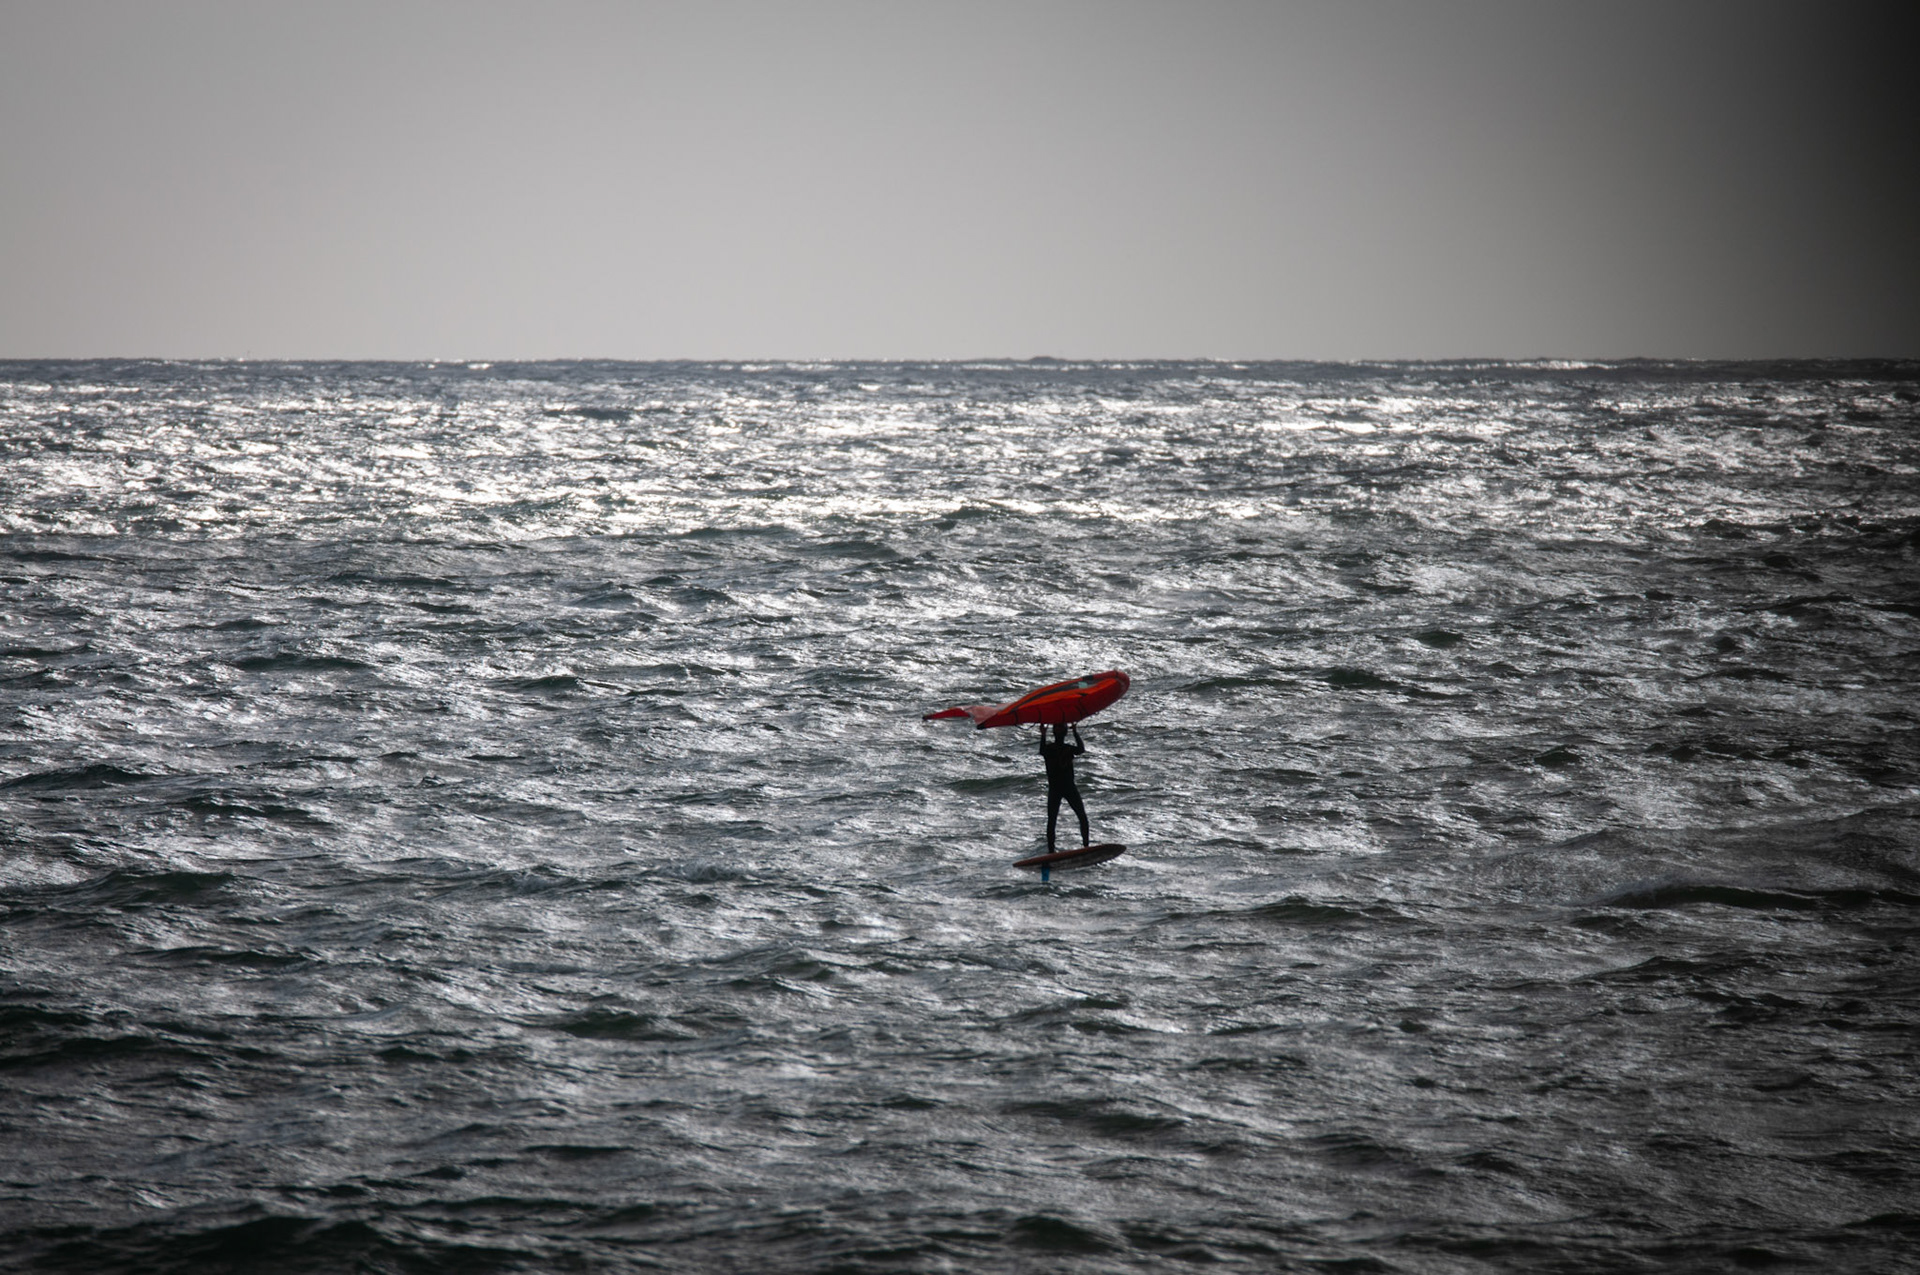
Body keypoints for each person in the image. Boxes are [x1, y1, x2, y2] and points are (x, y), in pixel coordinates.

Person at [1039, 721, 1090, 851]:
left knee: (1082, 816)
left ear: (1065, 732)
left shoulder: (1068, 748)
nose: (1059, 729)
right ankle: (1051, 851)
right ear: (1054, 732)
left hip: (1069, 787)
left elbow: (1081, 749)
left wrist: (1075, 731)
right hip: (1055, 788)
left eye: (1061, 726)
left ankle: (1086, 846)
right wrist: (1043, 735)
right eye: (1056, 726)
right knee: (1052, 820)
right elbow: (1042, 751)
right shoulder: (1049, 749)